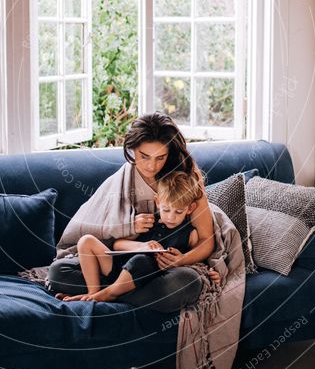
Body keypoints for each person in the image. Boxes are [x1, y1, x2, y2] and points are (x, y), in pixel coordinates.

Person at [47, 112, 217, 312]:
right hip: (119, 262)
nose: (151, 166)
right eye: (144, 156)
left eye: (160, 157)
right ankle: (113, 294)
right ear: (132, 148)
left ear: (169, 153)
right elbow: (95, 232)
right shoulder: (124, 179)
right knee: (58, 272)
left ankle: (103, 295)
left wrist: (181, 260)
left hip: (162, 271)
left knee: (184, 283)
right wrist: (128, 226)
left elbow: (207, 239)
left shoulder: (184, 182)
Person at [61, 171, 221, 303]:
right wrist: (141, 246)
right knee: (85, 241)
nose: (171, 217)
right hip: (117, 267)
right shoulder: (149, 222)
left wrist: (208, 272)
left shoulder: (190, 234)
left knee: (143, 261)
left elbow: (198, 261)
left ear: (190, 208)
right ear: (158, 202)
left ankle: (106, 294)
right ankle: (94, 293)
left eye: (178, 212)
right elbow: (117, 245)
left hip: (144, 276)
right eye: (166, 210)